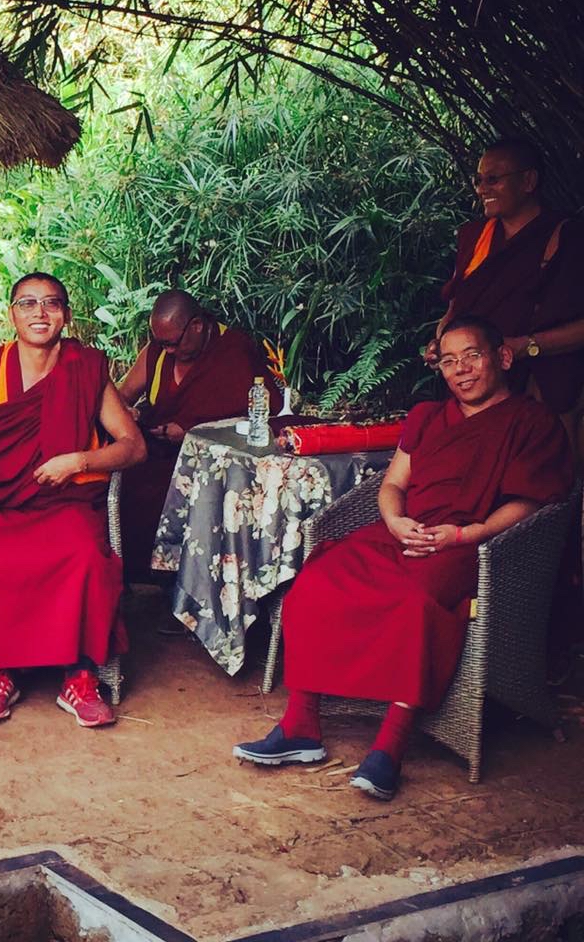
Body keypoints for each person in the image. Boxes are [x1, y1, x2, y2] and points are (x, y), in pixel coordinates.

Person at [235, 315, 573, 800]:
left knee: (416, 600)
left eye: (472, 356)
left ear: (502, 357)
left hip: (471, 545)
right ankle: (301, 725)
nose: (461, 370)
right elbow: (393, 483)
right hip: (402, 532)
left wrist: (466, 534)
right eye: (449, 361)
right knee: (315, 581)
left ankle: (390, 747)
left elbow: (531, 502)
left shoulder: (533, 423)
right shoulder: (428, 417)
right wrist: (394, 521)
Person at [0, 272, 146, 726]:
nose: (40, 313)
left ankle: (79, 676)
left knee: (84, 553)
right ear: (13, 315)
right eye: (28, 303)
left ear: (66, 314)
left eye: (51, 303)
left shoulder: (85, 369)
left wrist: (79, 461)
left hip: (64, 503)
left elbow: (134, 446)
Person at [426, 138, 584, 459]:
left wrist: (523, 346)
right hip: (478, 379)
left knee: (538, 474)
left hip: (539, 382)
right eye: (478, 180)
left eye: (493, 179)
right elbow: (456, 307)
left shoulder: (566, 236)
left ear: (529, 181)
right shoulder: (476, 237)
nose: (482, 189)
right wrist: (442, 344)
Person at [117, 289, 276, 581]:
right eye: (161, 343)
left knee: (173, 496)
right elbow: (121, 396)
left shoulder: (232, 350)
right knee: (124, 486)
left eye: (173, 343)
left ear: (198, 326)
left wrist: (191, 432)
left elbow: (261, 419)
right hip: (158, 451)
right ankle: (140, 579)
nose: (167, 351)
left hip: (212, 460)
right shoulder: (157, 352)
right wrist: (127, 413)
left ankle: (186, 583)